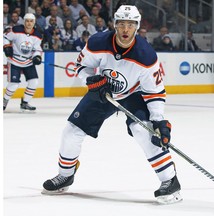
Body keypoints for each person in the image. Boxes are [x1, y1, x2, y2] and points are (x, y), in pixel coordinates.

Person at [42, 4, 182, 205]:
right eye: (122, 24)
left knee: (146, 132)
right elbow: (82, 66)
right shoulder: (98, 41)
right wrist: (91, 81)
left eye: (131, 25)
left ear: (137, 27)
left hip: (134, 94)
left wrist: (158, 120)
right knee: (71, 131)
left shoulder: (146, 56)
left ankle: (170, 181)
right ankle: (66, 175)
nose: (126, 30)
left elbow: (154, 91)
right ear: (115, 25)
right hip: (104, 91)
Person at [3, 13, 42, 111]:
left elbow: (37, 49)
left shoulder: (38, 35)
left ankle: (25, 103)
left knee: (34, 82)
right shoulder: (16, 30)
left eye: (31, 21)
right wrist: (6, 47)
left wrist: (37, 56)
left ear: (34, 23)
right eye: (27, 21)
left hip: (28, 62)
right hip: (14, 61)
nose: (29, 23)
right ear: (24, 22)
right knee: (14, 84)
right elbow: (5, 37)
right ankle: (4, 102)